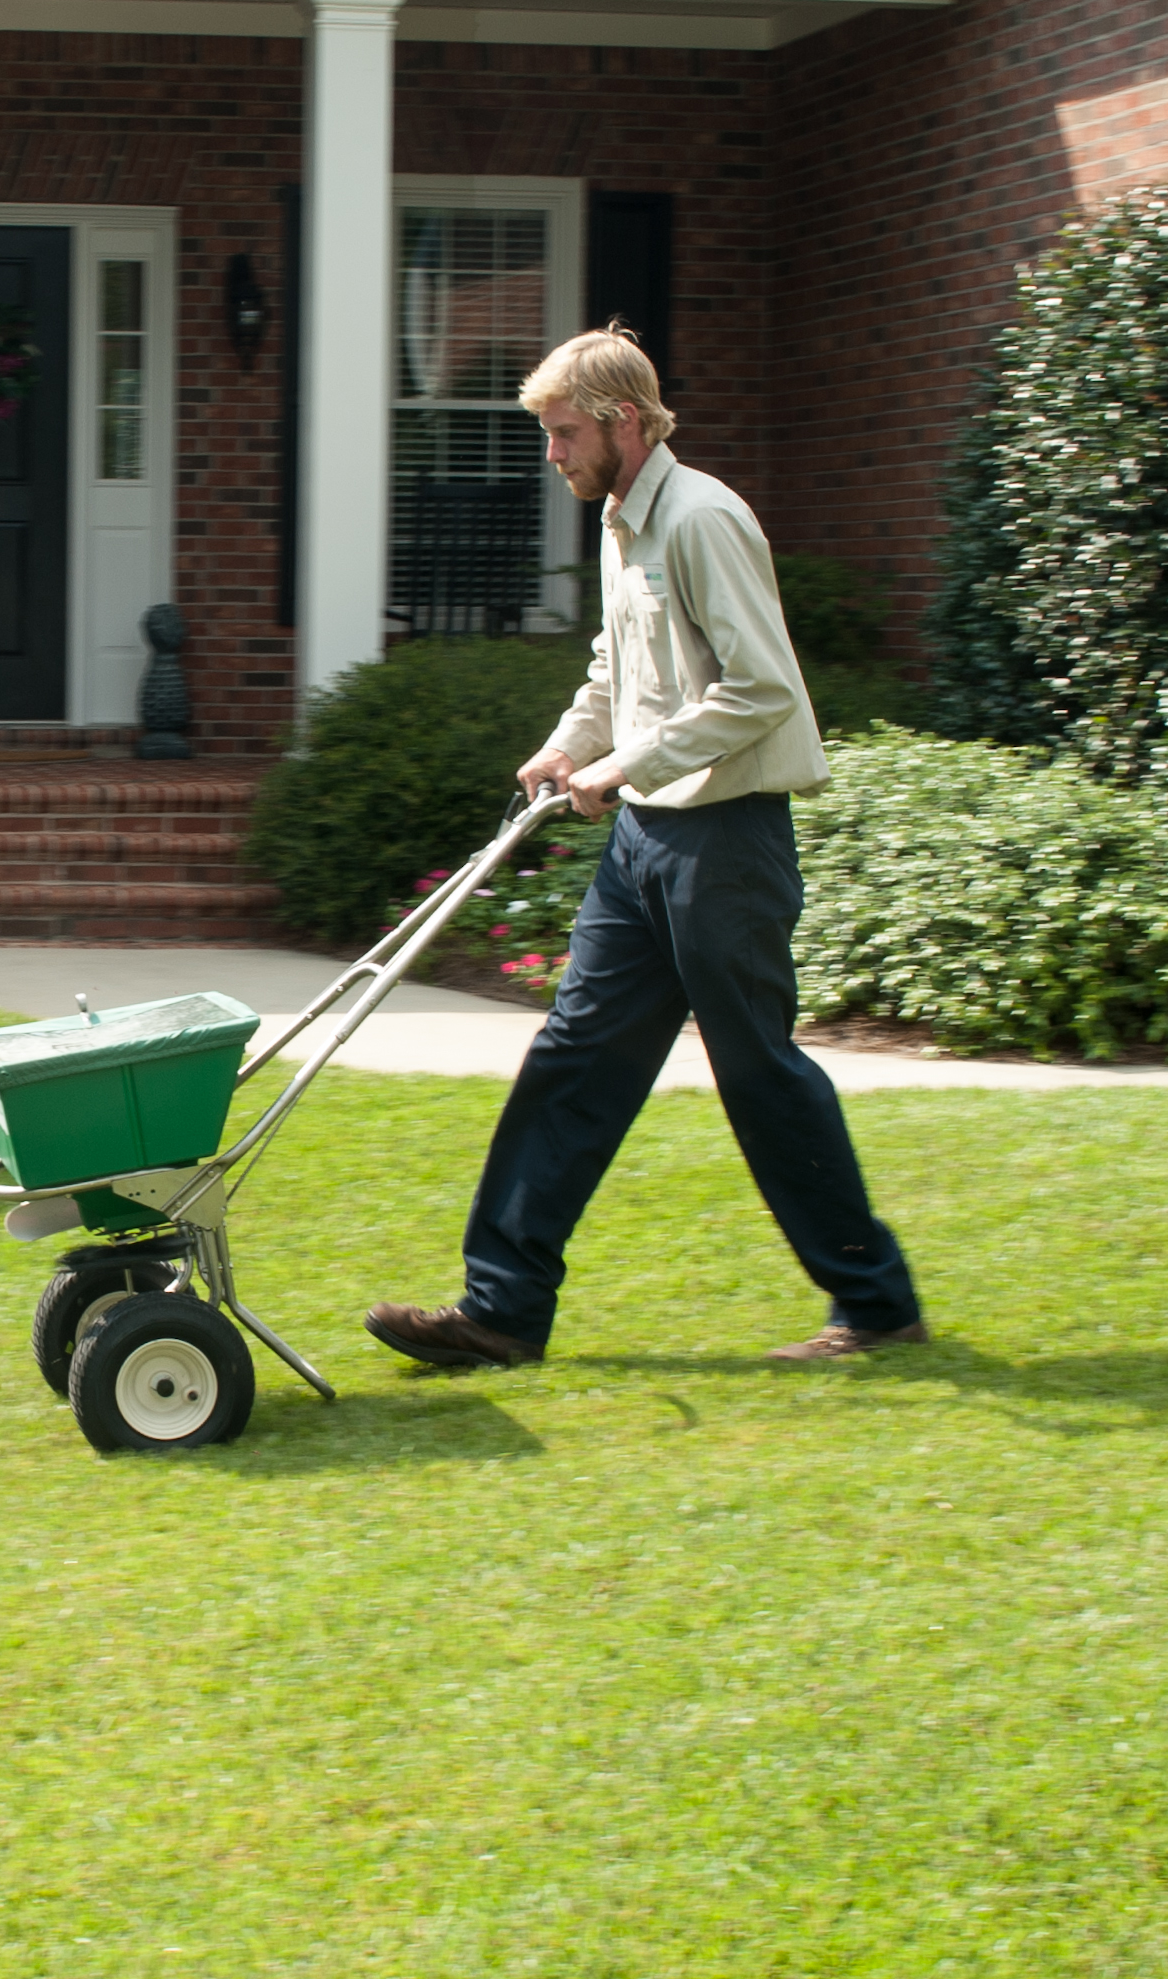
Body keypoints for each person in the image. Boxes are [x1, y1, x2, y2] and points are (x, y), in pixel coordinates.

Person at [364, 326, 925, 1371]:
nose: (552, 455)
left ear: (623, 422)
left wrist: (624, 766)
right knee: (574, 1057)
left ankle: (876, 1304)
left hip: (726, 841)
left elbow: (762, 688)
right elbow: (617, 669)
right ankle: (500, 1309)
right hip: (646, 844)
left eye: (563, 432)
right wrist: (568, 747)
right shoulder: (627, 519)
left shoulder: (703, 518)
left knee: (758, 1074)